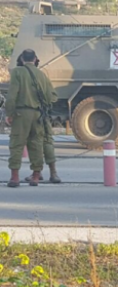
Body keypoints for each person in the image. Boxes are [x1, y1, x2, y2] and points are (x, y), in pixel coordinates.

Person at [4, 49, 57, 188]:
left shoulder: (17, 72)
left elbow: (12, 95)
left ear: (22, 59)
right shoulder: (42, 75)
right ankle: (35, 177)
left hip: (22, 113)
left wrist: (9, 113)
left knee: (17, 144)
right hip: (38, 114)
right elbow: (52, 97)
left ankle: (15, 177)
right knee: (36, 145)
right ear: (35, 59)